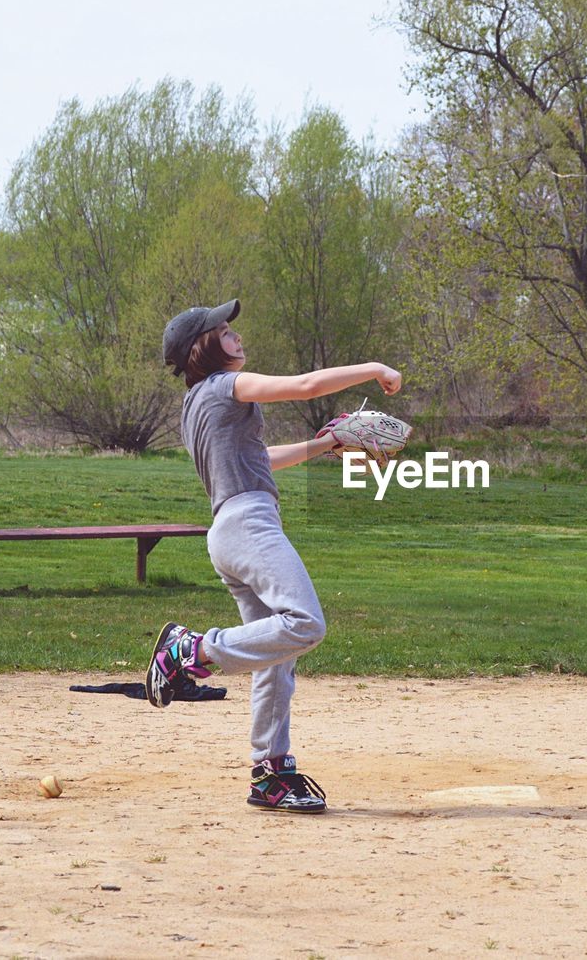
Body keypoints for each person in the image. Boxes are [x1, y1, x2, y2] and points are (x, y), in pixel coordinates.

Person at [149, 298, 401, 813]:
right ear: (203, 347)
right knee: (306, 624)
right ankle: (190, 651)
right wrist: (374, 369)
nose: (235, 335)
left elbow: (258, 459)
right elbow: (306, 386)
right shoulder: (226, 385)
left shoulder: (197, 403)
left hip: (229, 530)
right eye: (223, 330)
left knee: (276, 659)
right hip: (249, 524)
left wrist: (322, 445)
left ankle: (271, 773)